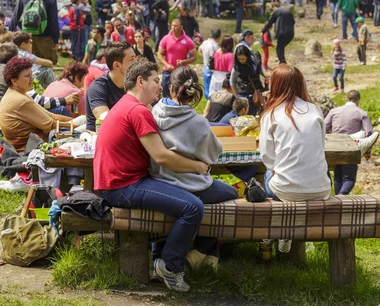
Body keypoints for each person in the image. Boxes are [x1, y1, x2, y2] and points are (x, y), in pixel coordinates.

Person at [94, 60, 210, 292]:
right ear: (140, 81)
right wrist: (199, 167)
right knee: (193, 207)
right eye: (156, 81)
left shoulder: (125, 104)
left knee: (198, 195)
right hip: (123, 187)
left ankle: (162, 256)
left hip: (118, 182)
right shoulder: (138, 111)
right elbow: (162, 157)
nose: (160, 86)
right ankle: (170, 265)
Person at [150, 66, 238, 271]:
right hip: (189, 184)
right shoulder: (197, 122)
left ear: (170, 87)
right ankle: (203, 250)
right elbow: (213, 154)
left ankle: (201, 253)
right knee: (230, 192)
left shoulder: (154, 111)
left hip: (159, 181)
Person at [260, 64, 331, 253]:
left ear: (274, 86)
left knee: (268, 175)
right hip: (321, 189)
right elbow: (320, 146)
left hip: (284, 191)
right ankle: (284, 232)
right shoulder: (315, 110)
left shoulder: (271, 115)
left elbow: (267, 159)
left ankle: (277, 230)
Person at [0, 57, 72, 152]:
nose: (32, 79)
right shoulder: (20, 100)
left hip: (36, 144)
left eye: (31, 74)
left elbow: (51, 116)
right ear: (14, 81)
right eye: (27, 76)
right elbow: (51, 125)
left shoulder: (17, 93)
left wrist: (76, 121)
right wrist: (81, 126)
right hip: (30, 151)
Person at [325, 90, 378, 194]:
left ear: (346, 99)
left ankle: (338, 203)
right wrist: (367, 152)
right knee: (349, 179)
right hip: (351, 147)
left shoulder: (334, 111)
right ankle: (341, 198)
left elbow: (322, 127)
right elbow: (369, 133)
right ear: (358, 101)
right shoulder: (361, 113)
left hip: (334, 147)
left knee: (338, 177)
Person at [9, 0, 60, 64]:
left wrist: (10, 35)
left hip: (27, 38)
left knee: (27, 65)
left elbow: (15, 17)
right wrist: (56, 40)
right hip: (45, 38)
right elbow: (54, 21)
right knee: (46, 65)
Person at [85, 41, 136, 131]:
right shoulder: (97, 88)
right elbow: (107, 122)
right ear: (117, 65)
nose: (136, 63)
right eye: (131, 59)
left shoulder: (134, 84)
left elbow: (150, 113)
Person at [156, 18, 197, 98]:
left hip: (181, 72)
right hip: (168, 71)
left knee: (181, 94)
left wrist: (184, 62)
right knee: (166, 94)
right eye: (172, 25)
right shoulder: (166, 39)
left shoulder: (188, 41)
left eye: (176, 26)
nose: (173, 28)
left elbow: (194, 57)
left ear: (181, 27)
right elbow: (159, 54)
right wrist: (167, 65)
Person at [230, 45, 264, 116]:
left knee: (255, 112)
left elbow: (260, 69)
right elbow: (232, 82)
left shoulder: (255, 60)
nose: (241, 61)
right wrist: (237, 97)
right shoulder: (237, 67)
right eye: (239, 59)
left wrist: (265, 75)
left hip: (256, 92)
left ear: (248, 56)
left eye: (243, 59)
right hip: (244, 93)